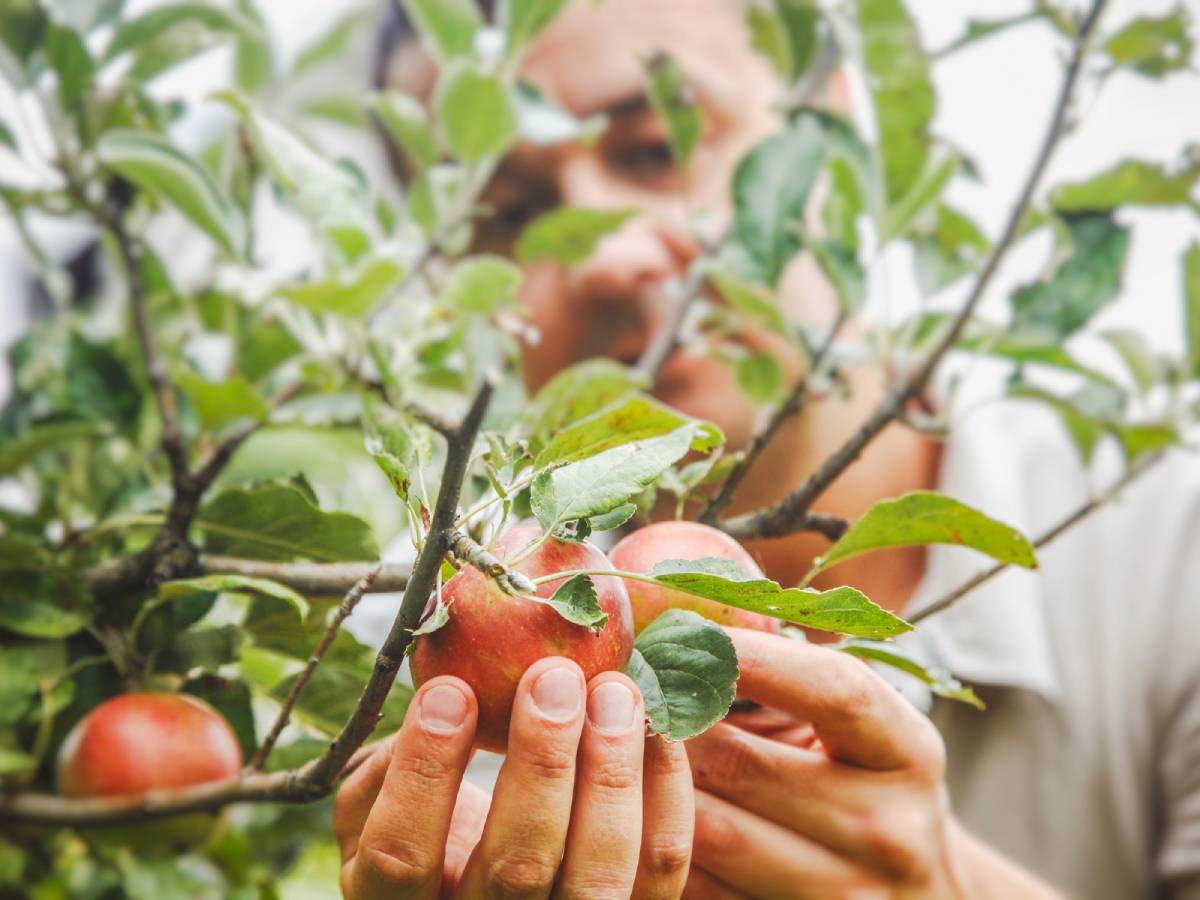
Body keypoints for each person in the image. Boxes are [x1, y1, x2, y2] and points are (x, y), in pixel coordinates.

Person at [335, 1, 1200, 897]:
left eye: (653, 149)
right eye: (510, 211)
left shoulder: (1173, 558)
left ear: (827, 132)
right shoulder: (436, 660)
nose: (604, 258)